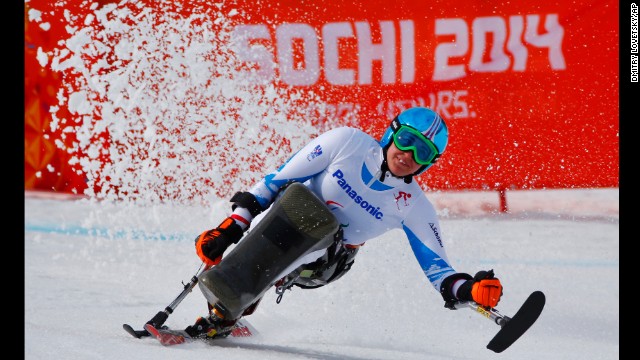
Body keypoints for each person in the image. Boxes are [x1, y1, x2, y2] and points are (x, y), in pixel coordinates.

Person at [186, 107, 504, 339]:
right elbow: (272, 184)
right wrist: (229, 229)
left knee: (313, 218)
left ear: (428, 164)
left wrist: (470, 290)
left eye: (422, 152)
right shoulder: (346, 143)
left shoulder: (414, 207)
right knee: (296, 198)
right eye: (407, 140)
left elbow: (440, 274)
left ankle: (230, 305)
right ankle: (239, 295)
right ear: (392, 133)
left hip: (327, 264)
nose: (408, 154)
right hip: (285, 223)